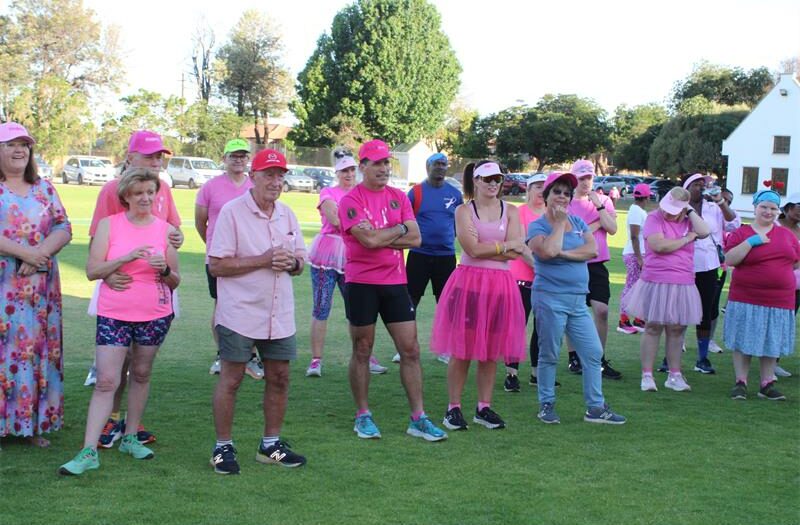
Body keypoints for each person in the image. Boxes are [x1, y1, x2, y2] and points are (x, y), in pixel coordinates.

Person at [59, 168, 180, 475]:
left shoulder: (165, 230)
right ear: (126, 195)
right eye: (139, 193)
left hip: (154, 314)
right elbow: (92, 270)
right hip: (114, 313)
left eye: (150, 192)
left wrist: (165, 269)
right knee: (106, 380)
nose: (146, 198)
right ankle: (88, 450)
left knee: (141, 373)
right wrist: (126, 258)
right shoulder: (109, 225)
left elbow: (175, 281)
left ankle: (130, 437)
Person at [338, 139, 447, 442]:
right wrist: (397, 230)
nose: (384, 168)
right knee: (362, 349)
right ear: (363, 166)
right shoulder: (351, 201)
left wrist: (386, 234)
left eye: (387, 162)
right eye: (377, 163)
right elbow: (369, 241)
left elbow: (416, 239)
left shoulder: (399, 197)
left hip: (395, 282)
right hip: (361, 283)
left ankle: (418, 418)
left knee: (411, 350)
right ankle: (363, 415)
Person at [207, 149, 307, 474]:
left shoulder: (287, 214)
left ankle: (270, 445)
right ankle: (222, 447)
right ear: (253, 177)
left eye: (280, 176)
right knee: (232, 379)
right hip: (240, 312)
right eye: (269, 175)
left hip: (279, 313)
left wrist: (292, 263)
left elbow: (300, 261)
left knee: (280, 377)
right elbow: (217, 265)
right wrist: (263, 260)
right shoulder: (232, 212)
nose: (276, 182)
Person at [87, 130, 183, 449]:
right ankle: (111, 419)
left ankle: (130, 424)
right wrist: (108, 275)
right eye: (149, 156)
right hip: (119, 288)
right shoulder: (111, 189)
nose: (156, 162)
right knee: (118, 363)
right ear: (130, 157)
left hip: (155, 289)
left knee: (140, 364)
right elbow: (99, 240)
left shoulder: (162, 188)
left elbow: (173, 231)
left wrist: (175, 242)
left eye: (159, 157)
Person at [430, 161, 526, 431]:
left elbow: (516, 252)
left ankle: (483, 407)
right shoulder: (464, 211)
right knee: (462, 349)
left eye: (497, 179)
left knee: (491, 351)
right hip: (470, 284)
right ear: (476, 181)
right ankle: (453, 408)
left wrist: (492, 247)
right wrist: (505, 245)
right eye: (487, 179)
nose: (493, 183)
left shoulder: (511, 211)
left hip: (500, 286)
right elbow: (471, 249)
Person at [528, 172, 626, 425]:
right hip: (549, 298)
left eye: (566, 193)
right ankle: (546, 404)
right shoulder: (538, 226)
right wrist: (560, 226)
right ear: (546, 196)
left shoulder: (579, 222)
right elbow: (547, 251)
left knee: (593, 352)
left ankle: (595, 407)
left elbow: (592, 250)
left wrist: (563, 253)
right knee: (549, 353)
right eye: (557, 192)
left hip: (577, 300)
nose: (562, 197)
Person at [0, 122, 72, 449]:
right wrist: (26, 253)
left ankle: (31, 424)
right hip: (5, 286)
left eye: (24, 145)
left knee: (35, 351)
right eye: (11, 144)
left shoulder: (44, 188)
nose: (19, 150)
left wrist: (39, 254)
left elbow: (63, 226)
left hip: (40, 290)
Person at [622, 187, 710, 393]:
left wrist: (690, 211)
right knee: (653, 326)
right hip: (656, 279)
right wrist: (687, 238)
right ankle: (647, 375)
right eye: (667, 208)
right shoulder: (654, 218)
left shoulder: (689, 219)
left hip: (683, 280)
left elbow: (705, 231)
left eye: (674, 210)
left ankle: (674, 375)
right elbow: (659, 246)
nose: (668, 213)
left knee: (677, 328)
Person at [306, 154, 388, 376]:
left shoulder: (361, 193)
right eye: (344, 171)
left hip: (353, 254)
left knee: (357, 310)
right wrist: (361, 224)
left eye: (352, 170)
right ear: (337, 173)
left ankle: (365, 356)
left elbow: (373, 221)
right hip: (328, 254)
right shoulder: (328, 192)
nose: (349, 174)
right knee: (321, 306)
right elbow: (335, 219)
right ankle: (316, 360)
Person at [196, 138, 263, 381]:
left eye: (243, 156)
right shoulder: (210, 187)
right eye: (233, 156)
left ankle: (250, 356)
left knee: (250, 306)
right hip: (220, 259)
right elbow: (201, 222)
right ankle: (222, 354)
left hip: (250, 257)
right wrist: (215, 245)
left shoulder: (254, 186)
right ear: (224, 158)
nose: (238, 160)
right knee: (222, 306)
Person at [724, 188, 799, 401]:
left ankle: (767, 383)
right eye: (764, 207)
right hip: (746, 297)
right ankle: (741, 382)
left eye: (773, 208)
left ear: (778, 211)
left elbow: (795, 262)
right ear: (755, 207)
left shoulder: (787, 235)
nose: (768, 212)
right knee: (743, 339)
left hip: (780, 299)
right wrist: (750, 242)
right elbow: (730, 260)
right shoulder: (742, 233)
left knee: (771, 341)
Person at [394, 152, 463, 365]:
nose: (441, 167)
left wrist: (449, 237)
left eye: (444, 164)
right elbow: (404, 221)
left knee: (446, 303)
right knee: (410, 301)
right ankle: (405, 347)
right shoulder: (415, 192)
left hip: (446, 257)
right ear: (428, 166)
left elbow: (459, 223)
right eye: (437, 164)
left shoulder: (455, 194)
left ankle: (445, 348)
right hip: (419, 255)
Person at [564, 160, 622, 379]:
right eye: (582, 178)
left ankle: (598, 359)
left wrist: (599, 206)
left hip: (597, 264)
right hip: (573, 262)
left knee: (602, 311)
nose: (586, 181)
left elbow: (613, 229)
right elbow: (574, 234)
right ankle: (574, 357)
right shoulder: (567, 202)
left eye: (589, 177)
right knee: (573, 311)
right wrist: (597, 224)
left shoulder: (604, 200)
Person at [504, 174, 545, 391]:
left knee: (542, 327)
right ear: (528, 190)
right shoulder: (519, 212)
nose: (541, 191)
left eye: (545, 187)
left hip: (545, 282)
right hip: (521, 279)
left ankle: (537, 373)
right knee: (517, 327)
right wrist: (541, 268)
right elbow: (520, 245)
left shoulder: (551, 215)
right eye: (537, 186)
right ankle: (511, 373)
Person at [617, 183, 652, 335]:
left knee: (641, 287)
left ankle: (639, 319)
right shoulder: (636, 211)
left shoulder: (638, 210)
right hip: (634, 254)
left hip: (639, 253)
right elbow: (634, 236)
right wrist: (639, 258)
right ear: (647, 197)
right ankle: (623, 321)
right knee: (631, 286)